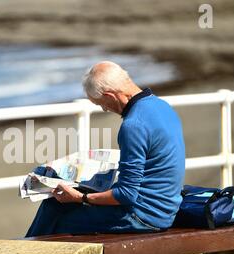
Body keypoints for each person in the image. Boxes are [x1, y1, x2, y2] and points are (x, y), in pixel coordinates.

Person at [25, 61, 185, 237]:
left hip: (144, 216)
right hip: (166, 208)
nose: (105, 109)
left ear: (110, 95)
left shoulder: (133, 126)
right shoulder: (161, 106)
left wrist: (81, 198)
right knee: (56, 205)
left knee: (56, 219)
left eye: (101, 104)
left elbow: (126, 194)